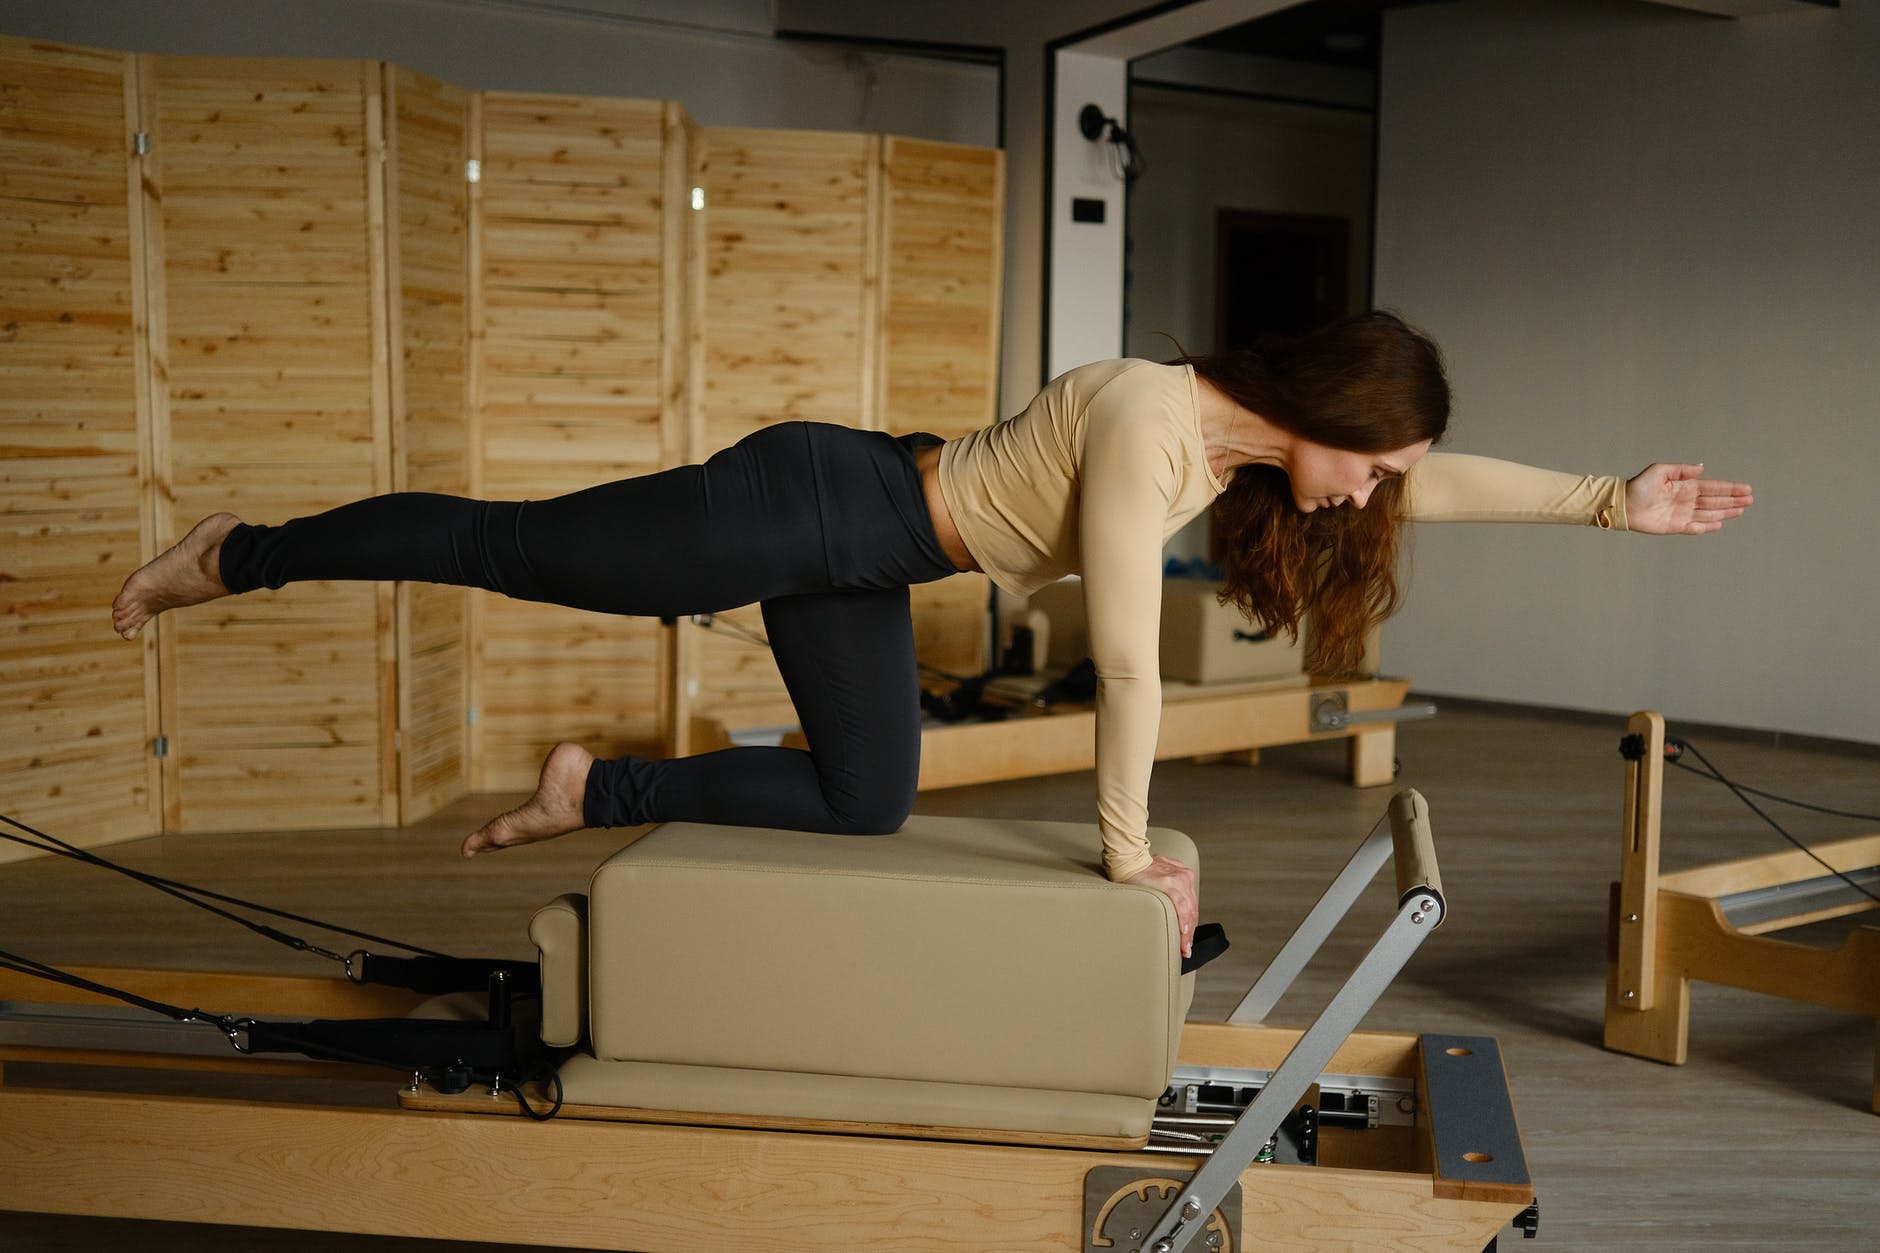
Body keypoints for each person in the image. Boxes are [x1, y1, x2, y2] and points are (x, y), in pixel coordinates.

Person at [111, 311, 1752, 957]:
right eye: (1371, 463)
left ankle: (589, 791)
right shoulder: (1149, 426)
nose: (1373, 495)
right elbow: (1120, 659)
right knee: (505, 547)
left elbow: (1438, 479)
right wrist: (1126, 852)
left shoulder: (1253, 446)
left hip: (866, 552)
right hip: (800, 507)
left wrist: (1615, 498)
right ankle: (237, 550)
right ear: (1326, 415)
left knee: (867, 792)